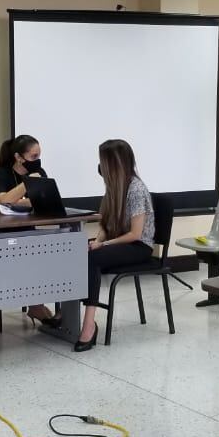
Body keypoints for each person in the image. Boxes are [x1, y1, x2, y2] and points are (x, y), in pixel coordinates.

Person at [77, 139, 155, 353]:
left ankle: (89, 325)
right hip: (118, 242)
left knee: (92, 258)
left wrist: (103, 245)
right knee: (75, 251)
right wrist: (98, 240)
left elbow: (135, 234)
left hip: (138, 246)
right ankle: (63, 314)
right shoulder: (114, 187)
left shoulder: (136, 189)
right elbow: (106, 223)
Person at [0, 135, 57, 326]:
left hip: (29, 230)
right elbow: (3, 200)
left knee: (48, 253)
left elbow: (43, 200)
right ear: (19, 157)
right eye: (34, 156)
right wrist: (26, 184)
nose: (38, 162)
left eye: (39, 156)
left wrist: (20, 200)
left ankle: (39, 304)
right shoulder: (0, 173)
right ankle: (36, 306)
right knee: (32, 256)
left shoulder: (40, 172)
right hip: (4, 235)